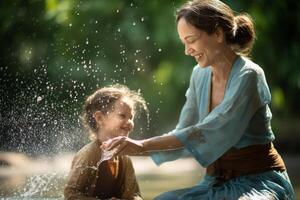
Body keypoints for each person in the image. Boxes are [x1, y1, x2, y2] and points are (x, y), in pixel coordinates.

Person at [102, 0, 296, 199]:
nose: (187, 51)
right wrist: (128, 147)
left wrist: (143, 145)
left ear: (218, 34)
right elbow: (184, 130)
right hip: (216, 182)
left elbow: (211, 130)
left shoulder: (248, 76)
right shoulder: (199, 74)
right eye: (184, 43)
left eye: (191, 40)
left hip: (259, 181)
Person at [64, 84, 146, 200]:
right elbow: (70, 194)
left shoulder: (125, 158)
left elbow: (134, 195)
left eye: (131, 117)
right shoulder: (89, 154)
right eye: (122, 116)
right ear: (99, 118)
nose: (129, 122)